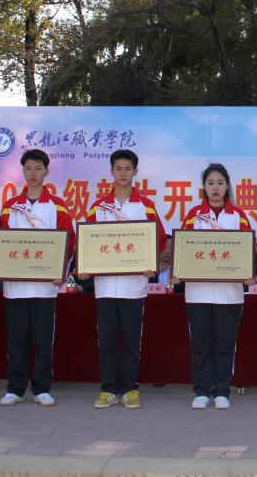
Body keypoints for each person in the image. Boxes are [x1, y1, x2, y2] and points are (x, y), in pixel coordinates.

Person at [80, 149, 164, 410]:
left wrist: (152, 264)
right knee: (106, 341)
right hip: (105, 287)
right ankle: (108, 389)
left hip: (133, 287)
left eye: (128, 168)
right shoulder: (98, 206)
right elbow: (86, 242)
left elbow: (159, 239)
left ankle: (129, 388)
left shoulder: (145, 205)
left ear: (135, 171)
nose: (123, 173)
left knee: (130, 340)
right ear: (111, 171)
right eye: (119, 168)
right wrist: (84, 266)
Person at [0, 149, 75, 408]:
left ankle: (42, 388)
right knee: (16, 338)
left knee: (43, 338)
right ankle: (15, 388)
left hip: (44, 286)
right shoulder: (10, 206)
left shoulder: (57, 205)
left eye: (38, 168)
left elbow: (69, 241)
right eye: (28, 168)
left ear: (46, 171)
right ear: (23, 171)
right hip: (15, 285)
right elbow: (2, 243)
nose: (33, 173)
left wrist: (61, 271)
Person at [178, 163, 254, 410]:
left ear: (227, 186)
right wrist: (178, 272)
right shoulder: (193, 215)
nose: (215, 188)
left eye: (220, 183)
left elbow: (247, 250)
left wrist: (248, 273)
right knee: (200, 343)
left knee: (225, 343)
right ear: (204, 187)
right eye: (211, 183)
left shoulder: (238, 216)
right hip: (198, 293)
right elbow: (183, 250)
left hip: (229, 294)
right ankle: (201, 391)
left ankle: (222, 391)